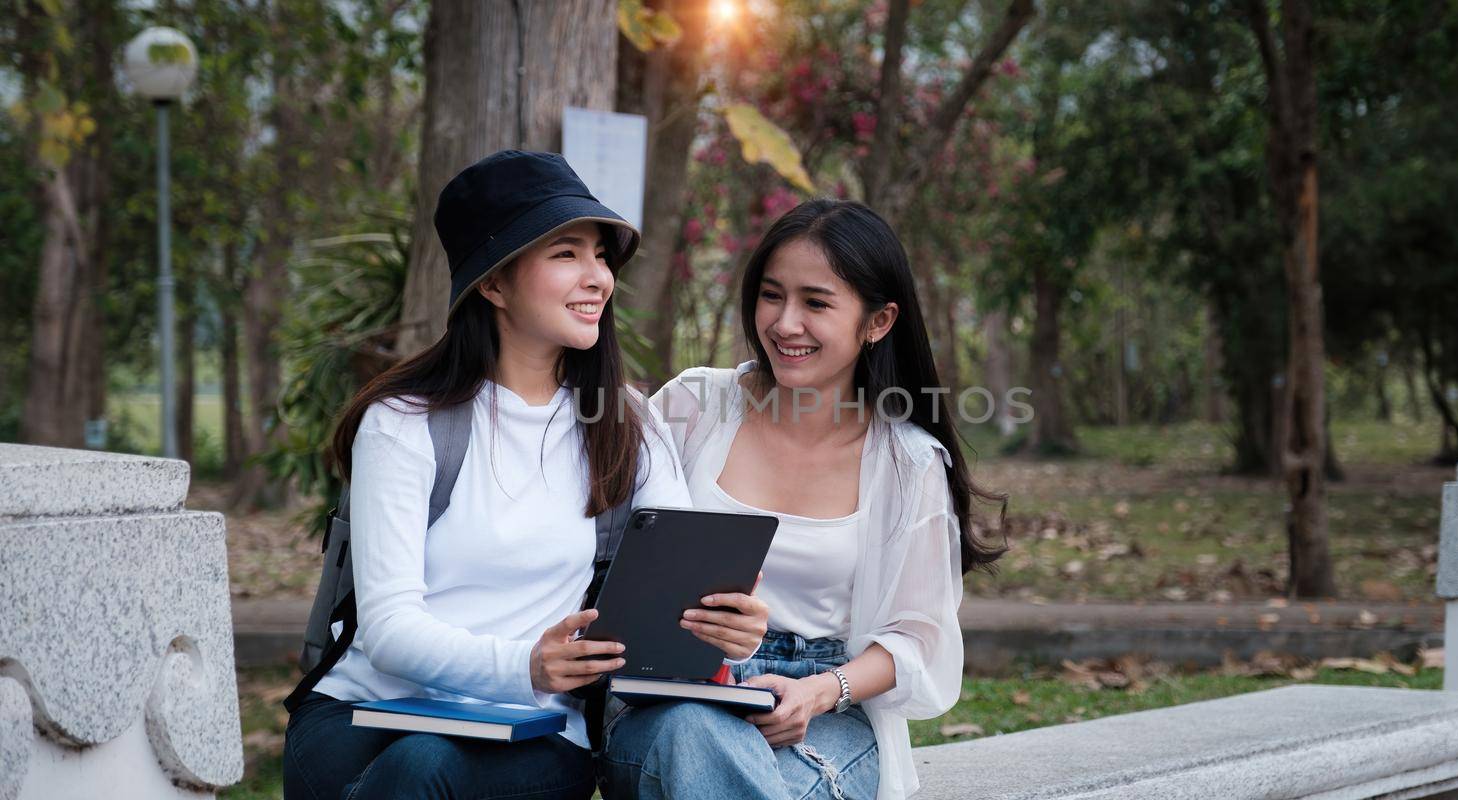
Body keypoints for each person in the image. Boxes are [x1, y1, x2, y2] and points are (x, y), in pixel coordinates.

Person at [281, 151, 768, 800]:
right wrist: (527, 663)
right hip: (368, 711)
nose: (598, 277)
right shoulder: (403, 422)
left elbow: (669, 607)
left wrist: (726, 632)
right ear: (493, 284)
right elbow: (390, 629)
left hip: (535, 730)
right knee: (416, 765)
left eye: (601, 255)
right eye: (566, 254)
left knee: (425, 766)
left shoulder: (625, 423)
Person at [600, 199, 1005, 800]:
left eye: (816, 303)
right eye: (772, 295)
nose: (786, 323)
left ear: (878, 321)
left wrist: (819, 693)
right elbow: (612, 553)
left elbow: (918, 642)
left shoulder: (908, 461)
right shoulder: (692, 408)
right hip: (672, 695)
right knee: (693, 736)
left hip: (826, 709)